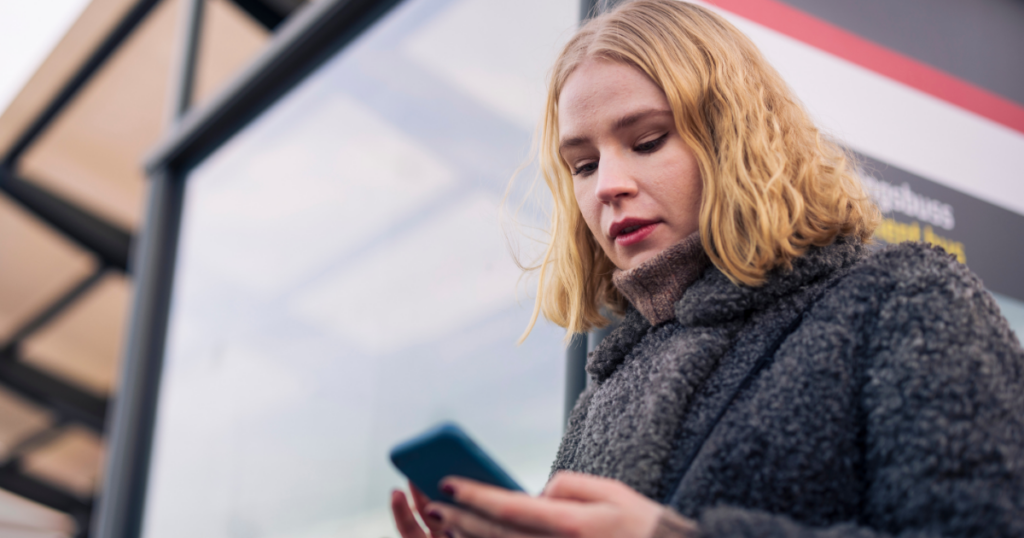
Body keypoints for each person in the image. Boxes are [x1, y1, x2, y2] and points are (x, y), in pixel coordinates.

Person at [391, 1, 1024, 537]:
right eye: (582, 165)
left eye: (646, 142)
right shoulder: (600, 400)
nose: (608, 185)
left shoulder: (904, 295)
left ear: (736, 136)